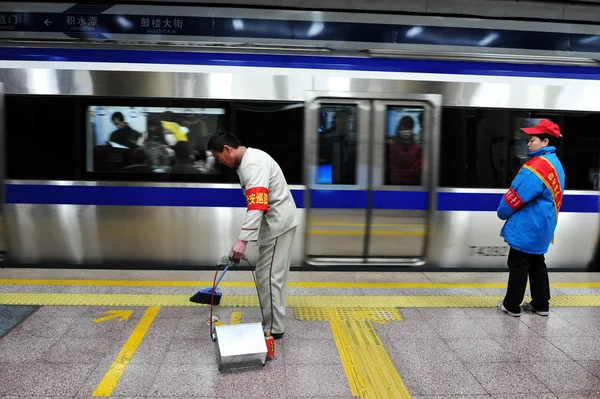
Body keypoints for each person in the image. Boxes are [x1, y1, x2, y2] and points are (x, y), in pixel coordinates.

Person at [207, 131, 299, 339]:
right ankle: (274, 322)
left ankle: (274, 328)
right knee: (270, 275)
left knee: (268, 277)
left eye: (217, 156)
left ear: (227, 149)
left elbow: (257, 204)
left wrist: (242, 241)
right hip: (278, 223)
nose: (219, 162)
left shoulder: (252, 164)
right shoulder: (250, 160)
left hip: (278, 224)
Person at [497, 119, 565, 317]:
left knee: (518, 264)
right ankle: (541, 304)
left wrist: (502, 213)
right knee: (537, 263)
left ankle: (511, 305)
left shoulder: (536, 167)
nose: (528, 143)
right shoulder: (556, 164)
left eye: (532, 139)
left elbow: (515, 196)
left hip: (528, 226)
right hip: (543, 225)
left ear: (545, 141)